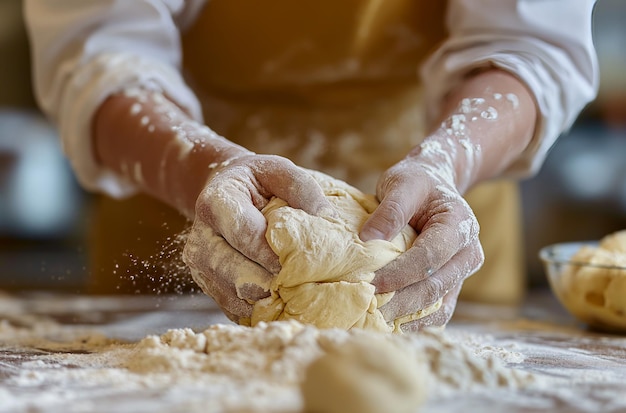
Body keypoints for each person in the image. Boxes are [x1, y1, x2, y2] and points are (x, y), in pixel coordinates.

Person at [23, 1, 598, 330]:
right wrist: (204, 168)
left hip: (430, 237)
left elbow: (532, 46)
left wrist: (446, 161)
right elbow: (98, 56)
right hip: (197, 205)